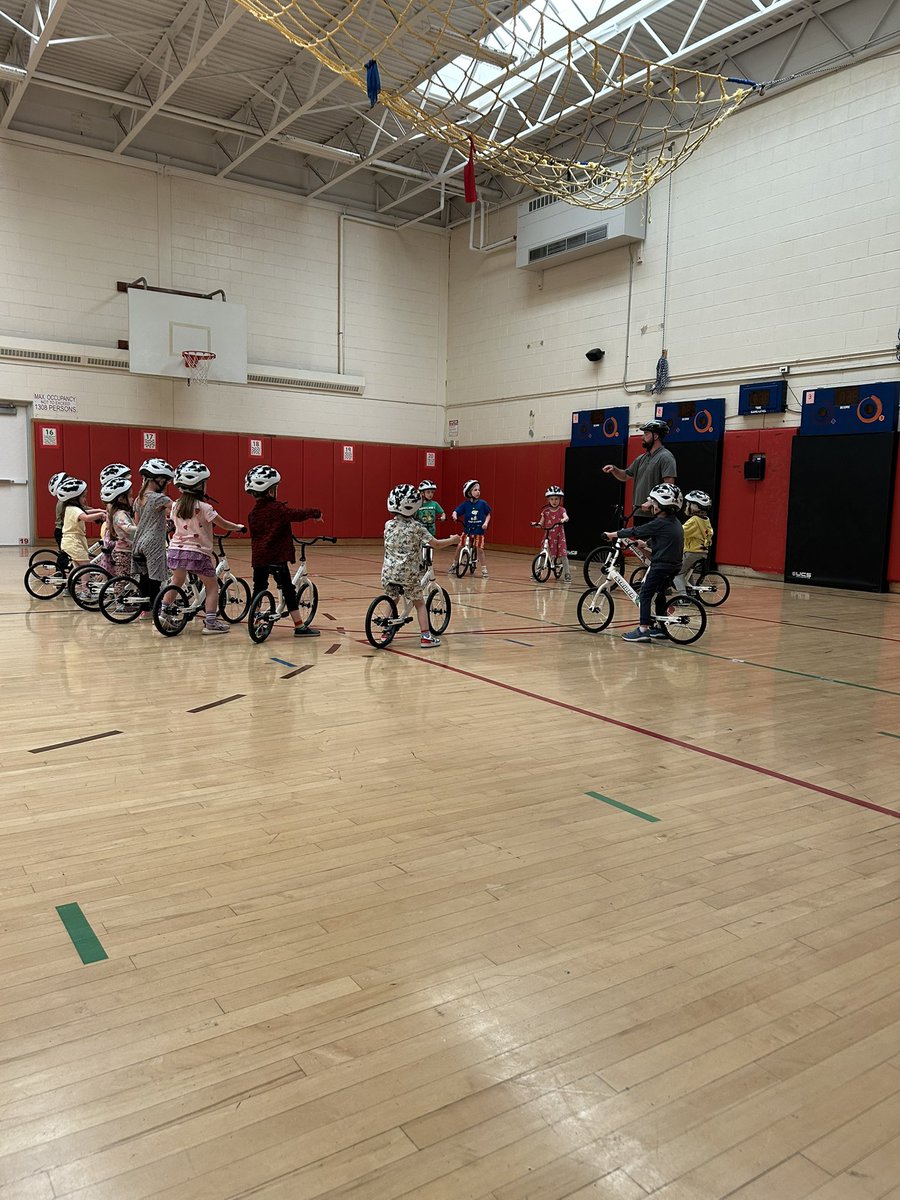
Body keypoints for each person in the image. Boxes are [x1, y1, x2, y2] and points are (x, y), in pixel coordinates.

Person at [162, 460, 244, 636]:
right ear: (200, 486)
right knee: (212, 586)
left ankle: (163, 612)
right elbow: (222, 523)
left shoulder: (175, 505)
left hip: (176, 550)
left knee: (176, 581)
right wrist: (238, 527)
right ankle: (211, 622)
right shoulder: (205, 507)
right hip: (197, 552)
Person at [245, 465, 324, 636]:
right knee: (288, 590)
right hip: (277, 557)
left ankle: (254, 618)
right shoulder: (278, 509)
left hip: (259, 558)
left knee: (258, 587)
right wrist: (315, 513)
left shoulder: (252, 514)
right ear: (271, 490)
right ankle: (299, 626)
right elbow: (297, 514)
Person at [604, 483, 684, 643]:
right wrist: (645, 544)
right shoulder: (675, 523)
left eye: (655, 503)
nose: (653, 505)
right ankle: (660, 627)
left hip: (660, 566)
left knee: (645, 594)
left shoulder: (659, 522)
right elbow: (664, 541)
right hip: (674, 566)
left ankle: (643, 629)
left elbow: (635, 531)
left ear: (662, 505)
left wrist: (612, 534)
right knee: (660, 594)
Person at [382, 484, 458, 648]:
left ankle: (385, 630)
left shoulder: (388, 525)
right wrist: (453, 540)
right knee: (420, 603)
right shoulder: (417, 528)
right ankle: (426, 637)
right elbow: (436, 544)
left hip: (388, 573)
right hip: (408, 574)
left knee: (392, 598)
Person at [602, 419, 677, 520]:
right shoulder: (641, 458)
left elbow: (669, 485)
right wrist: (614, 469)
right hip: (639, 512)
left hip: (655, 514)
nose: (642, 437)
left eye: (646, 433)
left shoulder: (666, 457)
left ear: (656, 436)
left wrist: (651, 501)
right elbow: (625, 475)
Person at [132, 458, 175, 617]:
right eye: (165, 481)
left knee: (144, 577)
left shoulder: (139, 498)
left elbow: (137, 522)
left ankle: (145, 609)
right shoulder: (159, 498)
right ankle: (155, 608)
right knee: (156, 579)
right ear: (159, 480)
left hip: (139, 542)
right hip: (153, 542)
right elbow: (178, 511)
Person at [57, 478, 105, 565]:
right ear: (74, 499)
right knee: (85, 565)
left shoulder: (69, 508)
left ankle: (74, 578)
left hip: (72, 540)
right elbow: (86, 517)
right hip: (74, 541)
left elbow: (86, 512)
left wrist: (100, 511)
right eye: (83, 496)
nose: (85, 499)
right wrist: (100, 515)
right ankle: (85, 579)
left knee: (77, 566)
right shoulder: (74, 509)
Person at [674, 490, 714, 593]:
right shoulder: (706, 519)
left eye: (688, 504)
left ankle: (682, 597)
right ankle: (691, 592)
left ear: (694, 507)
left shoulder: (694, 520)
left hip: (692, 552)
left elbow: (681, 532)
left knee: (677, 574)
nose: (686, 506)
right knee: (687, 572)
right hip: (702, 552)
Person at [451, 479, 492, 577]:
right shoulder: (466, 504)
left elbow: (488, 515)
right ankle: (454, 564)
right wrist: (455, 515)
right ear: (469, 492)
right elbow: (456, 511)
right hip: (467, 530)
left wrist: (485, 523)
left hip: (479, 530)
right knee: (460, 546)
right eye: (475, 490)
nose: (478, 492)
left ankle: (484, 568)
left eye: (479, 490)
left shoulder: (482, 503)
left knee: (480, 549)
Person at [532, 485, 571, 582]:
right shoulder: (545, 511)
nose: (554, 501)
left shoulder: (562, 510)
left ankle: (567, 573)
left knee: (563, 555)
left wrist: (564, 519)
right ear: (548, 500)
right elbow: (541, 523)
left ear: (560, 500)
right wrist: (536, 524)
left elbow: (566, 517)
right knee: (543, 553)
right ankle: (538, 572)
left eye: (556, 499)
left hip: (559, 536)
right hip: (548, 536)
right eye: (552, 499)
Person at [101, 476, 137, 580]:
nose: (132, 499)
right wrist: (143, 528)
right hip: (124, 552)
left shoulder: (121, 512)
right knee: (123, 579)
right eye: (130, 496)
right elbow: (127, 528)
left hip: (127, 550)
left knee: (127, 578)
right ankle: (118, 595)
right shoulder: (120, 514)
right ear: (121, 499)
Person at [49, 472, 72, 571]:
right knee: (65, 553)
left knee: (66, 552)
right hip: (61, 530)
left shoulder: (67, 500)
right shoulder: (63, 502)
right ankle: (59, 573)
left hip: (63, 530)